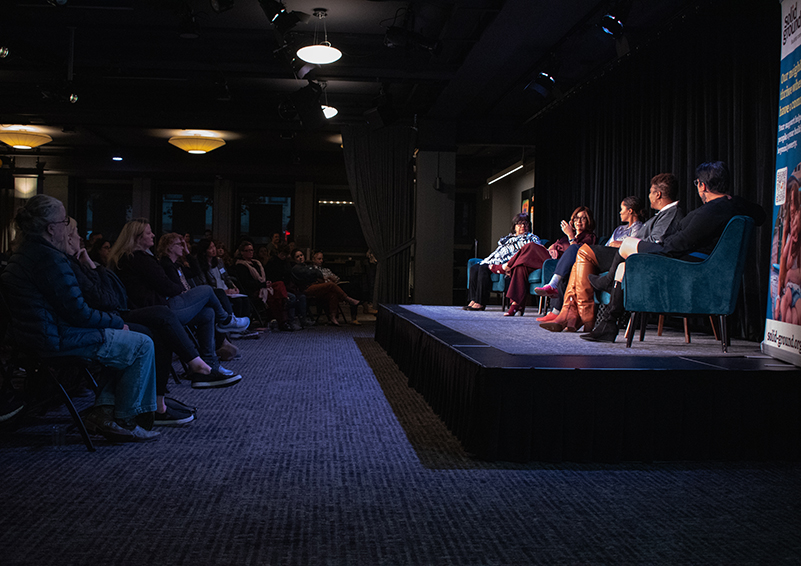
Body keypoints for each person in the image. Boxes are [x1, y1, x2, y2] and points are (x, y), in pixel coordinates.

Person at [1, 195, 159, 442]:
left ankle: (105, 413)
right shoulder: (49, 260)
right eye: (64, 221)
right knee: (141, 344)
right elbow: (79, 312)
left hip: (42, 335)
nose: (68, 227)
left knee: (127, 341)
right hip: (54, 339)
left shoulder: (28, 253)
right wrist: (116, 323)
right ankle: (124, 421)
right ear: (51, 228)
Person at [581, 161, 766, 342]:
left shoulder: (710, 211)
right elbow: (761, 214)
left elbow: (679, 244)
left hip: (685, 262)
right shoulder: (733, 205)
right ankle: (608, 325)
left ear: (702, 185)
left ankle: (606, 284)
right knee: (623, 267)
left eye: (697, 184)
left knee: (628, 244)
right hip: (696, 261)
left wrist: (660, 247)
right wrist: (733, 199)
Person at [62, 219, 207, 426]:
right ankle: (137, 408)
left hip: (117, 313)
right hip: (111, 318)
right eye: (75, 233)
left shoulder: (78, 262)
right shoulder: (131, 259)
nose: (80, 238)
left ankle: (160, 400)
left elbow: (104, 293)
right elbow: (102, 297)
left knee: (166, 321)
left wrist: (90, 264)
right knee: (165, 322)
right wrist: (114, 320)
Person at [109, 219, 249, 387]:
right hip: (157, 310)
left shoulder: (133, 259)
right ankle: (226, 320)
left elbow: (172, 282)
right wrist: (180, 289)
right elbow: (167, 286)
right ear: (137, 237)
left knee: (207, 313)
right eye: (148, 232)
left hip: (155, 306)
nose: (153, 234)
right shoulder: (139, 259)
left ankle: (209, 366)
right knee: (206, 290)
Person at [539, 175, 684, 333]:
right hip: (629, 254)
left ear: (658, 194)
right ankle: (573, 315)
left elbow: (656, 244)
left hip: (637, 258)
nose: (649, 196)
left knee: (583, 251)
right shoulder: (663, 215)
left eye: (650, 192)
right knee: (580, 259)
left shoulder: (672, 213)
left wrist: (627, 243)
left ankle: (583, 316)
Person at [501, 207, 596, 316]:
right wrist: (552, 250)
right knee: (520, 267)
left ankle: (506, 266)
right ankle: (516, 305)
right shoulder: (565, 237)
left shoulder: (589, 237)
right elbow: (552, 246)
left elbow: (578, 254)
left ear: (588, 221)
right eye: (576, 218)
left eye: (583, 218)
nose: (578, 221)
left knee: (531, 246)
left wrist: (570, 236)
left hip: (559, 265)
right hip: (549, 259)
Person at [465, 213, 541, 311]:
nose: (522, 226)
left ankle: (480, 302)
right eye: (519, 224)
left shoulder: (531, 238)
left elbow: (533, 251)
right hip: (496, 259)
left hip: (508, 261)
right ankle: (473, 299)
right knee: (474, 268)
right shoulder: (507, 239)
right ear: (514, 226)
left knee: (483, 269)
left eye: (525, 224)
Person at [291, 250, 360, 327]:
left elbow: (318, 274)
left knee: (332, 294)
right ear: (294, 259)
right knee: (331, 285)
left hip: (314, 286)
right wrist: (314, 273)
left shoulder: (307, 267)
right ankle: (348, 299)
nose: (300, 257)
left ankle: (332, 318)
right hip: (306, 289)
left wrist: (314, 273)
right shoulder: (296, 268)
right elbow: (312, 274)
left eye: (301, 255)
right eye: (298, 256)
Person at [311, 250, 363, 325]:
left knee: (353, 287)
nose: (321, 261)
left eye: (322, 259)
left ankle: (354, 317)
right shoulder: (312, 270)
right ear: (313, 259)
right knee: (334, 291)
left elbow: (336, 278)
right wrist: (327, 279)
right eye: (319, 259)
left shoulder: (326, 269)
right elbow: (318, 280)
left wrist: (332, 279)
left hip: (335, 285)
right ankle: (350, 300)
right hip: (325, 288)